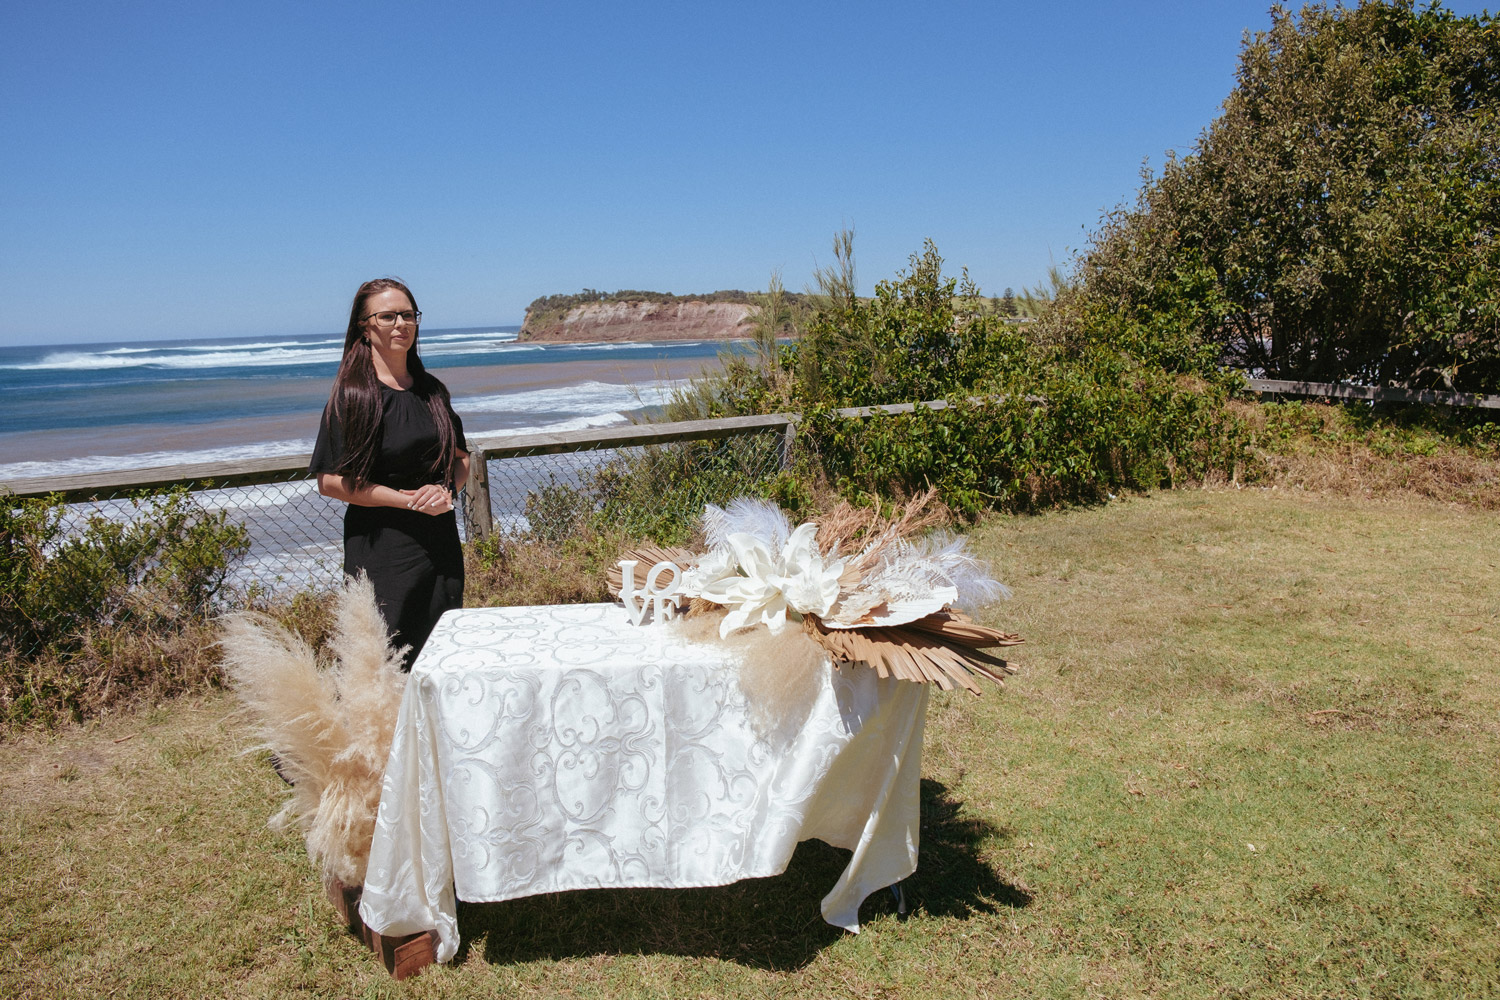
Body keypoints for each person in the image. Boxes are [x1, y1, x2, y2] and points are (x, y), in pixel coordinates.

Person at [310, 278, 471, 670]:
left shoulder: (432, 391)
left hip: (439, 544)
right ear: (365, 327)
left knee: (439, 655)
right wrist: (407, 500)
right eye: (387, 316)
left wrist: (444, 490)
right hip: (382, 549)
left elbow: (461, 459)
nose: (402, 323)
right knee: (382, 663)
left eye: (408, 314)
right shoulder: (354, 395)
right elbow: (330, 481)